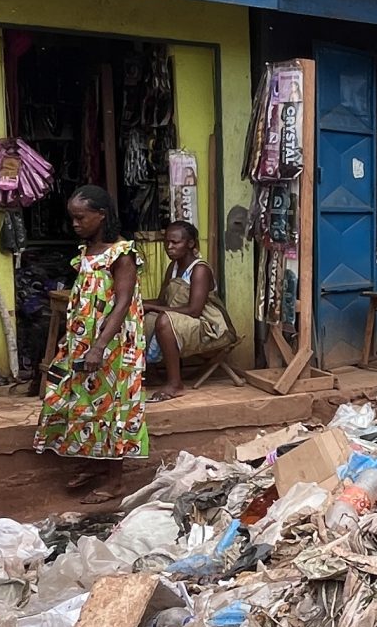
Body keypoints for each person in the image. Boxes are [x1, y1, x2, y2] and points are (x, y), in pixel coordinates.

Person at [36, 185, 148, 495]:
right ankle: (95, 462)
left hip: (114, 346)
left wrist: (99, 346)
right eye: (72, 218)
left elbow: (123, 302)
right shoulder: (86, 253)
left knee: (115, 405)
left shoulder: (121, 253)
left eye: (80, 218)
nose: (75, 224)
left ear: (101, 216)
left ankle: (114, 480)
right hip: (83, 344)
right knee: (83, 401)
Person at [148, 218, 235, 395]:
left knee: (164, 320)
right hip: (180, 319)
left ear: (190, 243)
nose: (169, 247)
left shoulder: (199, 269)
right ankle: (151, 373)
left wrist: (155, 308)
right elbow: (162, 301)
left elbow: (194, 311)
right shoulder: (173, 266)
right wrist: (141, 305)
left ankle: (175, 384)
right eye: (167, 242)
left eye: (175, 242)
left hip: (208, 326)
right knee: (142, 316)